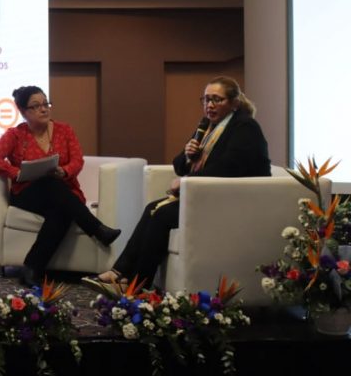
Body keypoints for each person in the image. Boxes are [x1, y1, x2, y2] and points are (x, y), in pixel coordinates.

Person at [88, 76, 270, 290]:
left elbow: (228, 168)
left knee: (162, 215)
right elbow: (178, 164)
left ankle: (139, 283)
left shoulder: (244, 127)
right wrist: (187, 156)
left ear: (234, 103)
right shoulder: (209, 128)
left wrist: (186, 182)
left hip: (233, 201)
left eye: (217, 100)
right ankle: (121, 273)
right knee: (152, 209)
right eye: (206, 99)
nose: (209, 105)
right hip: (206, 195)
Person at [0, 85, 121, 288]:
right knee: (50, 184)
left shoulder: (64, 130)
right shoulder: (15, 135)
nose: (44, 109)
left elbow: (77, 160)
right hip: (27, 195)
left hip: (63, 192)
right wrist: (16, 173)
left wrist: (64, 171)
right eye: (36, 106)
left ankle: (31, 268)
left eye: (46, 103)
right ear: (24, 112)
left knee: (60, 209)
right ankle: (97, 229)